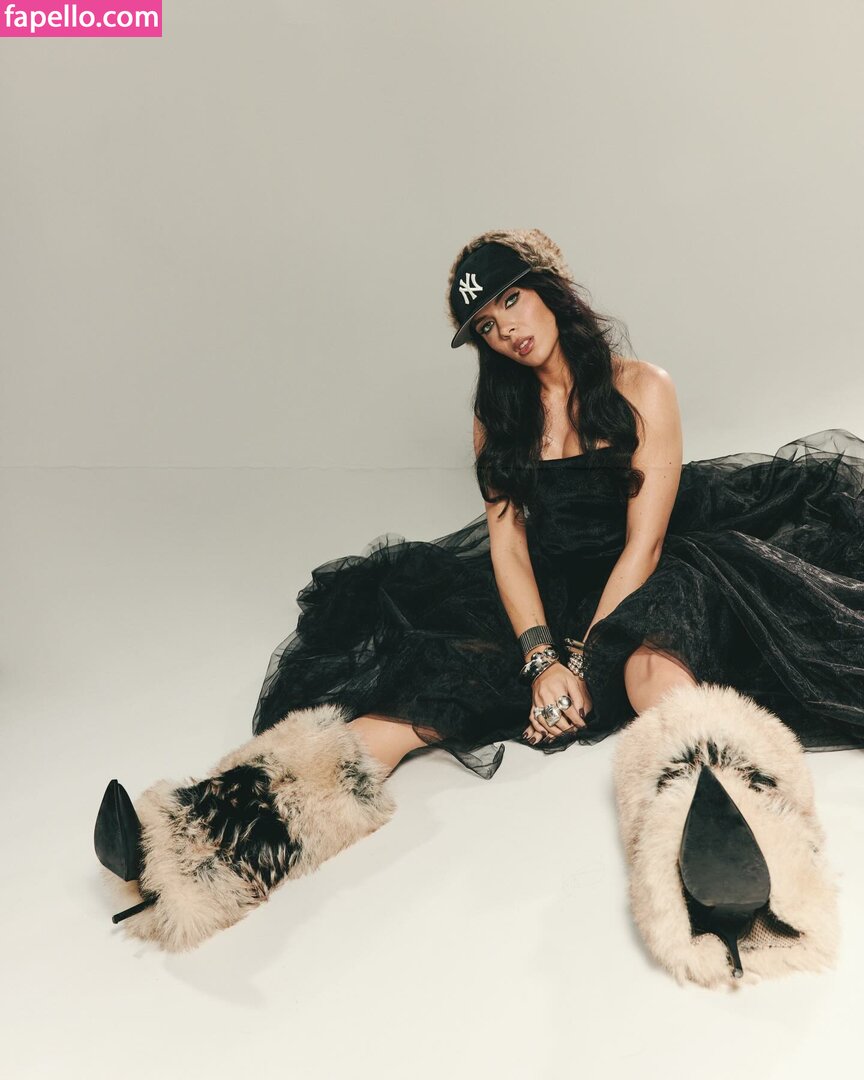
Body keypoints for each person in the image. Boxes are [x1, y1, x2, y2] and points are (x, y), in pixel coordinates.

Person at [94, 227, 864, 952]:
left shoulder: (642, 388)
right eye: (487, 325)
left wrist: (580, 660)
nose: (506, 330)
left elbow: (646, 544)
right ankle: (204, 843)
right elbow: (509, 548)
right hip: (545, 599)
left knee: (651, 672)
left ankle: (747, 859)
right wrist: (540, 661)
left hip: (653, 577)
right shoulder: (499, 416)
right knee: (424, 699)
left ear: (550, 290)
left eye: (512, 301)